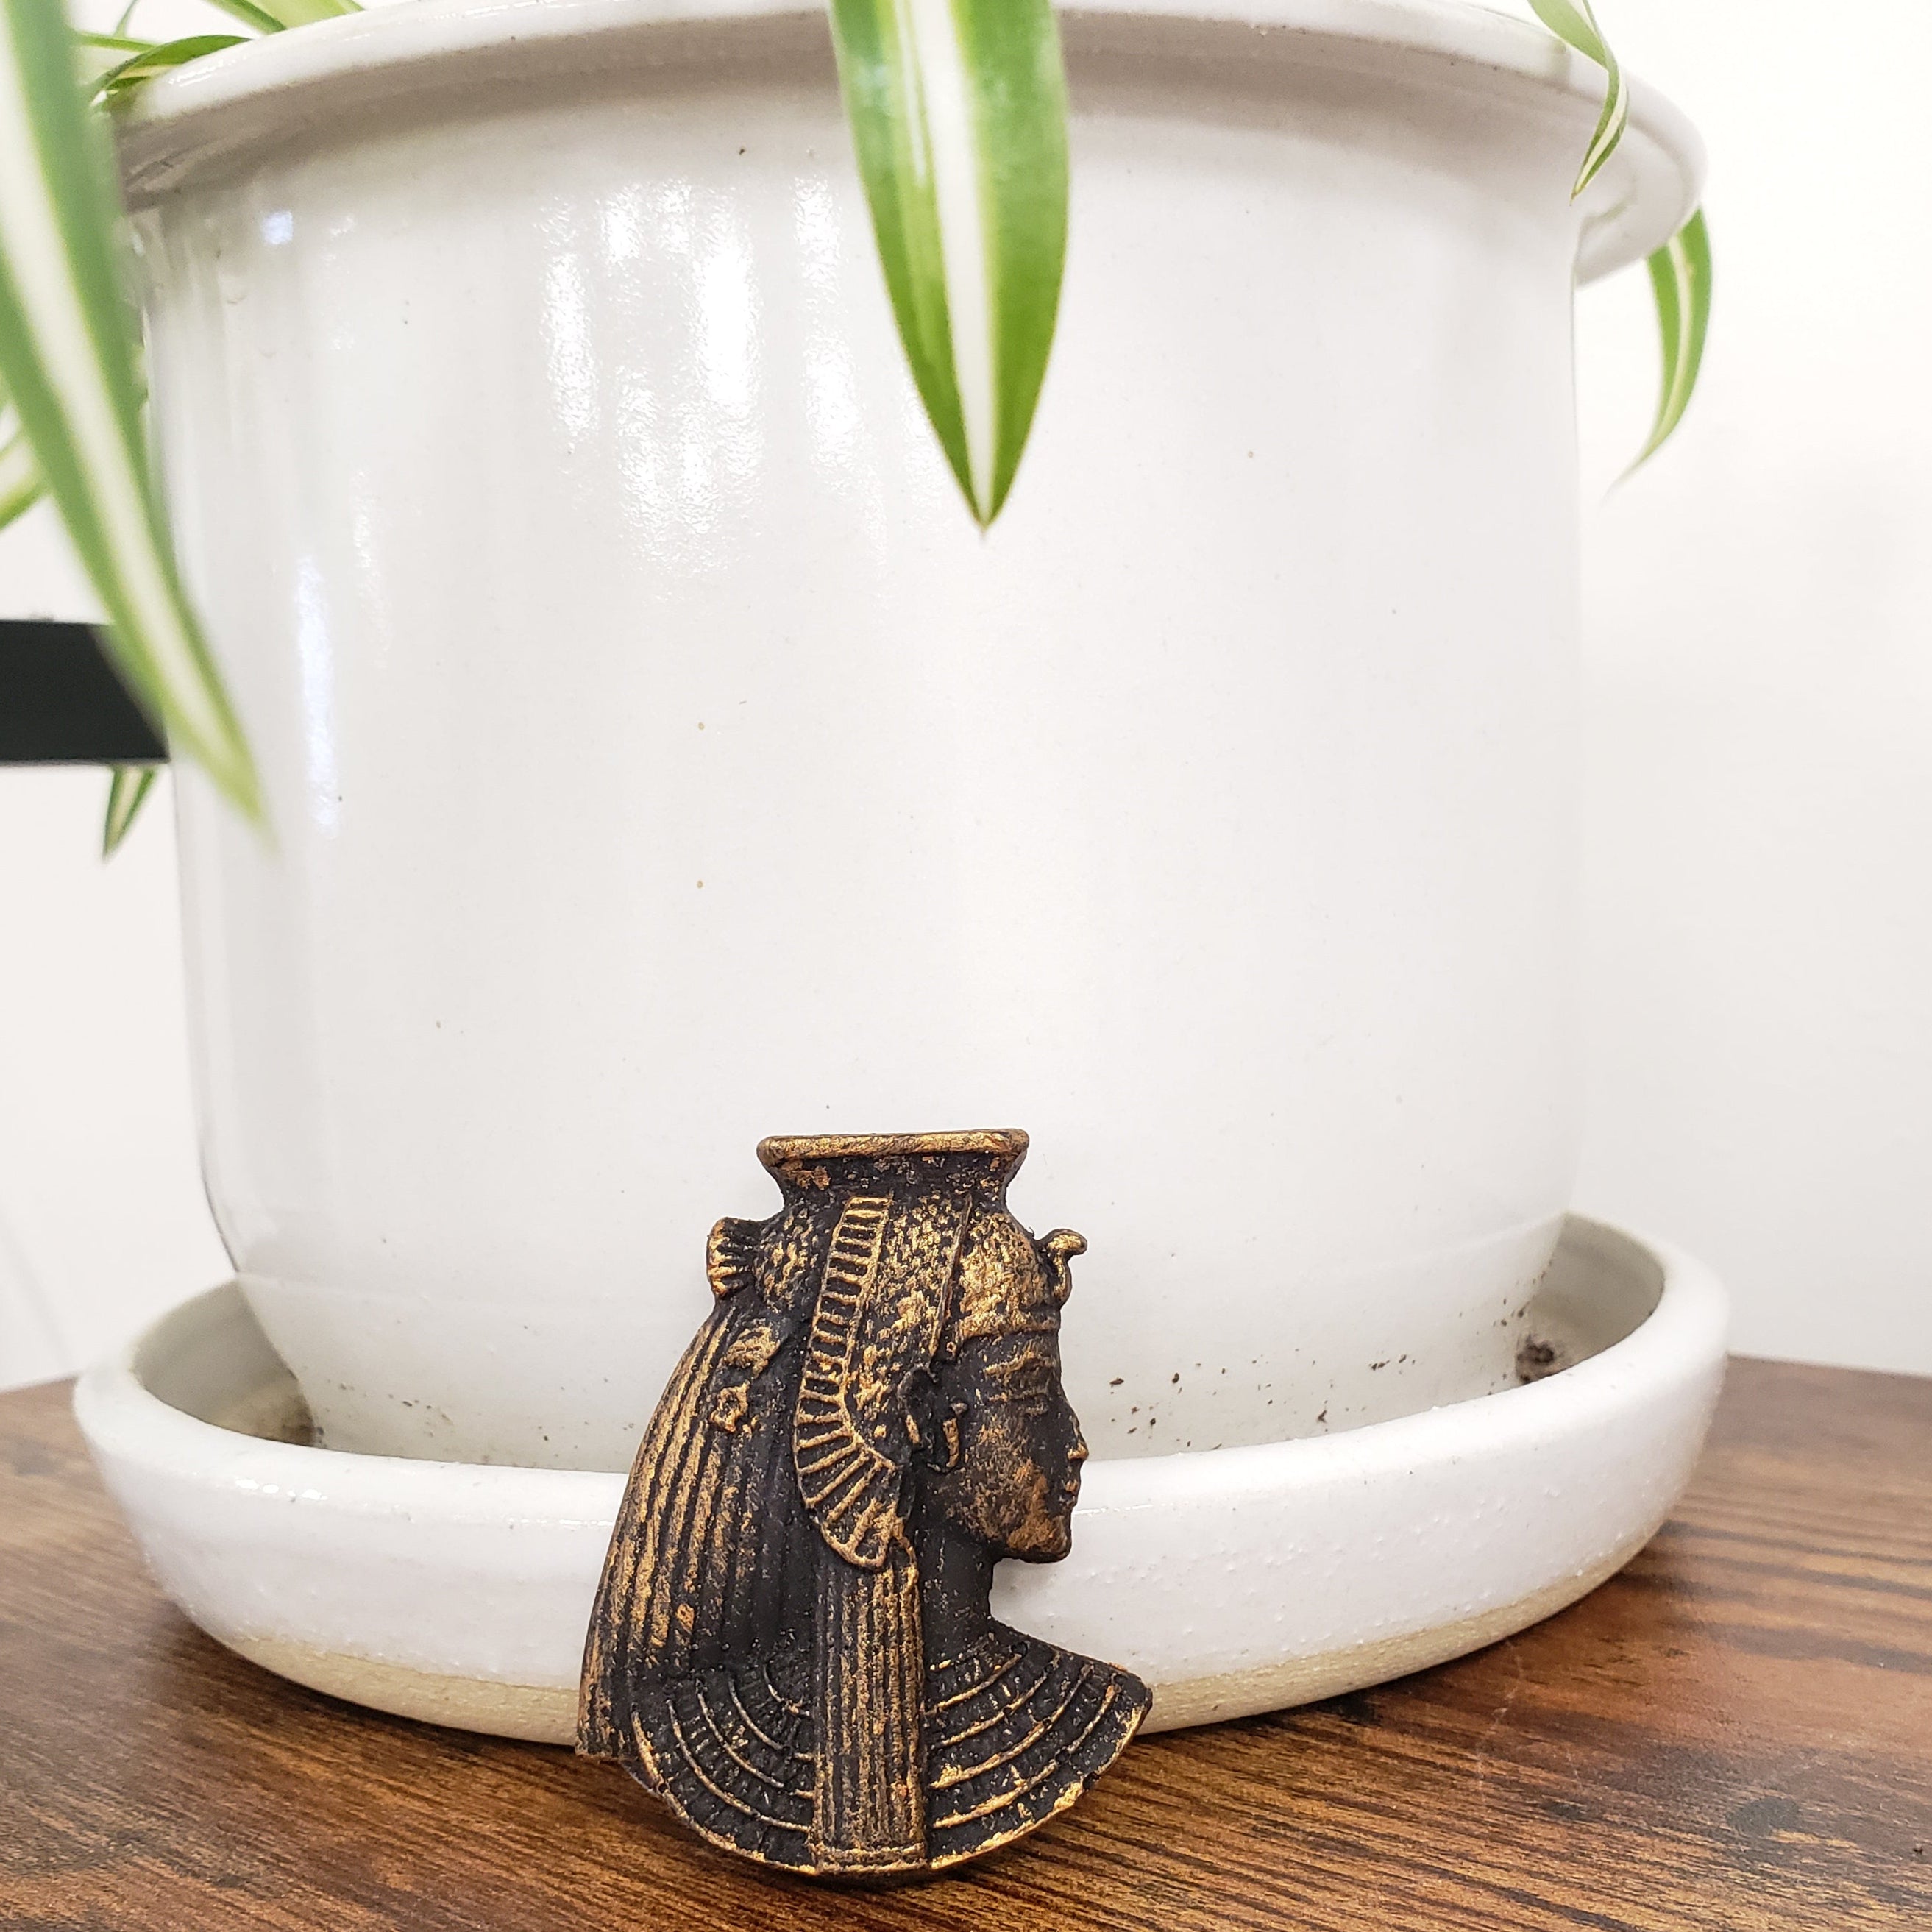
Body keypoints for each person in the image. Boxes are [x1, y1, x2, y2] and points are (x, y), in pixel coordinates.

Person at [580, 1129, 1151, 1878]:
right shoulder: (690, 1726)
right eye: (1034, 1397)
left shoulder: (1095, 1704)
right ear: (919, 1425)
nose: (1074, 1441)